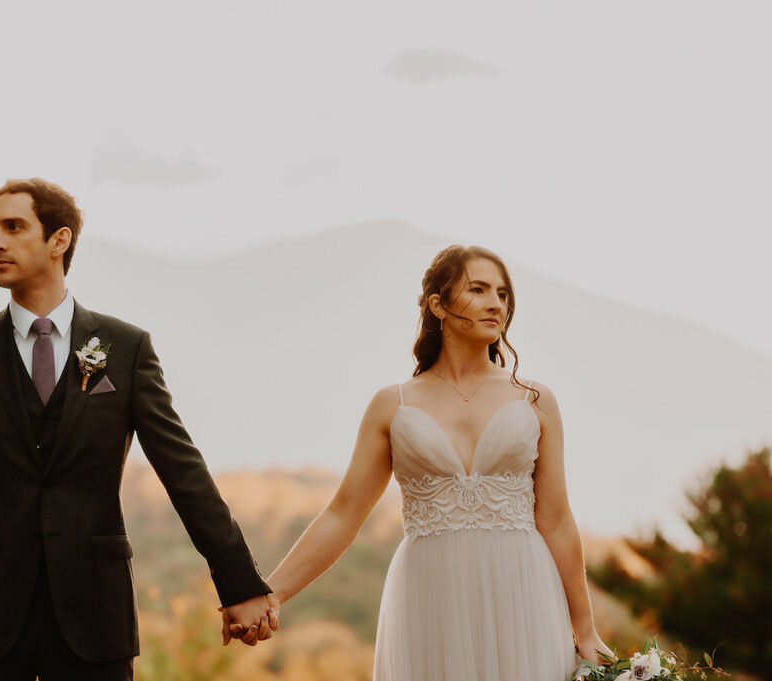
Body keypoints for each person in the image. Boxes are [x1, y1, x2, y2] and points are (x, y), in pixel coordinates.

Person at [0, 178, 275, 681]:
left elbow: (182, 470)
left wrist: (238, 581)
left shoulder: (125, 349)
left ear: (59, 240)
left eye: (14, 227)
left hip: (94, 620)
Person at [258, 244, 615, 680]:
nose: (495, 304)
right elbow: (342, 515)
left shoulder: (536, 401)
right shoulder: (393, 405)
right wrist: (269, 594)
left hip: (522, 593)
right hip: (429, 597)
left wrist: (584, 628)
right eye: (479, 290)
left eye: (502, 294)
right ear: (438, 305)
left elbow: (556, 520)